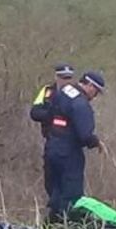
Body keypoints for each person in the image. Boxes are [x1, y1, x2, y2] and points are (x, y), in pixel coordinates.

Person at [43, 70, 105, 223]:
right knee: (71, 195)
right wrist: (95, 142)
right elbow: (84, 134)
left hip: (51, 149)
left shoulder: (60, 92)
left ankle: (50, 228)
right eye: (96, 91)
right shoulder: (80, 104)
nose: (95, 96)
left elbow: (42, 114)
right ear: (89, 85)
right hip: (69, 155)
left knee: (55, 193)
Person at [30, 63, 77, 205]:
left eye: (69, 78)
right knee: (50, 180)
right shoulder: (47, 91)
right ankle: (54, 208)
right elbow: (34, 112)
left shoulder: (76, 94)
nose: (66, 81)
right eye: (63, 77)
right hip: (51, 141)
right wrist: (51, 115)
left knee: (68, 183)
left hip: (70, 144)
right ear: (56, 77)